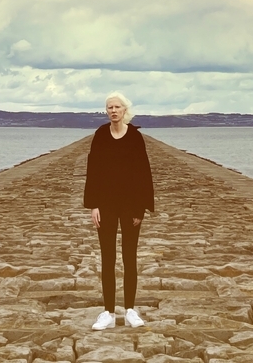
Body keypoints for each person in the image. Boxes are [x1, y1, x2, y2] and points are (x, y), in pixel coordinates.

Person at [83, 92, 155, 330]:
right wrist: (93, 205)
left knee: (129, 257)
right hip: (105, 205)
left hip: (130, 205)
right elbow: (92, 170)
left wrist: (140, 209)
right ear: (106, 112)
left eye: (117, 107)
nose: (113, 110)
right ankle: (108, 312)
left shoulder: (135, 137)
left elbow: (144, 172)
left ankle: (131, 310)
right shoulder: (101, 135)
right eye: (109, 107)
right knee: (108, 258)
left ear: (125, 110)